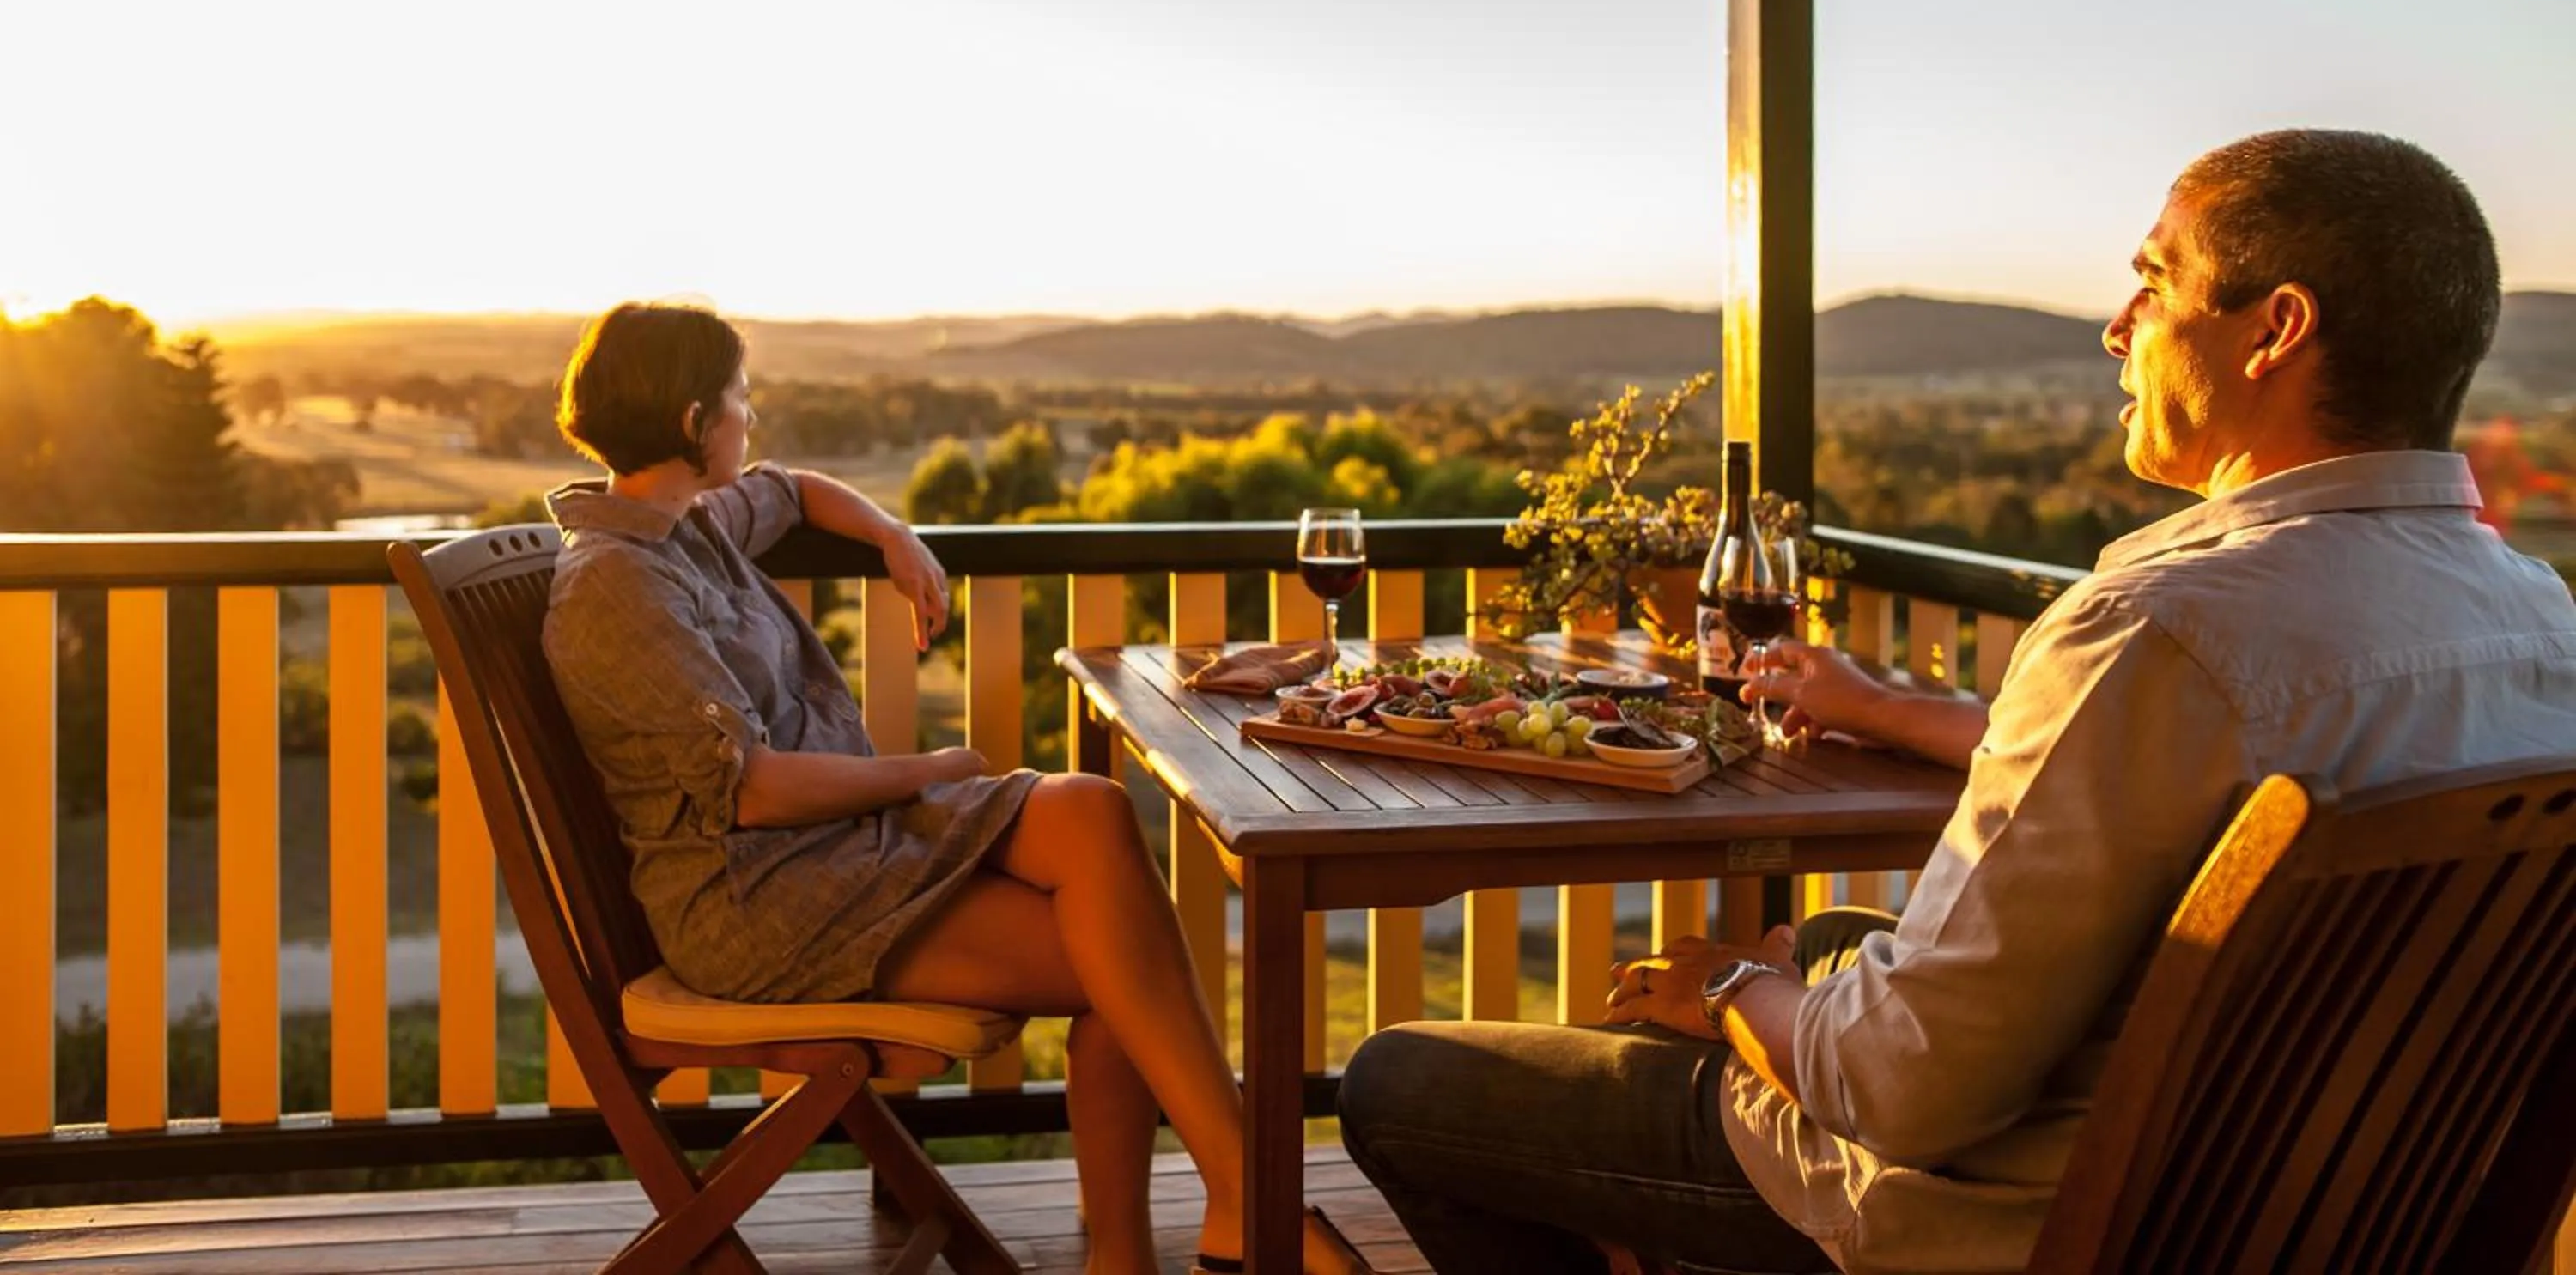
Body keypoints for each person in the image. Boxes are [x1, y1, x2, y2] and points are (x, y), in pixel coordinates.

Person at [1337, 129, 2576, 1275]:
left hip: (2027, 1226)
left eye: (2155, 281)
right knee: (1828, 947)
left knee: (1401, 1077)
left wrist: (1724, 994)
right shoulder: (2542, 622)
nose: (2117, 326)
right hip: (2340, 1216)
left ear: (2274, 330)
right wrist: (1804, 975)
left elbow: (1906, 1086)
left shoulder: (2158, 630)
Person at [540, 301, 1370, 1275]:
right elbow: (753, 792)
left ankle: (1205, 1217)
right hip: (756, 900)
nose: (749, 414)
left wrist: (894, 532)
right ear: (691, 422)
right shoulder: (618, 584)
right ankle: (1234, 1208)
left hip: (831, 857)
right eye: (738, 397)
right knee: (1122, 960)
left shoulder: (681, 522)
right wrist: (926, 770)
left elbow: (794, 490)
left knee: (1090, 817)